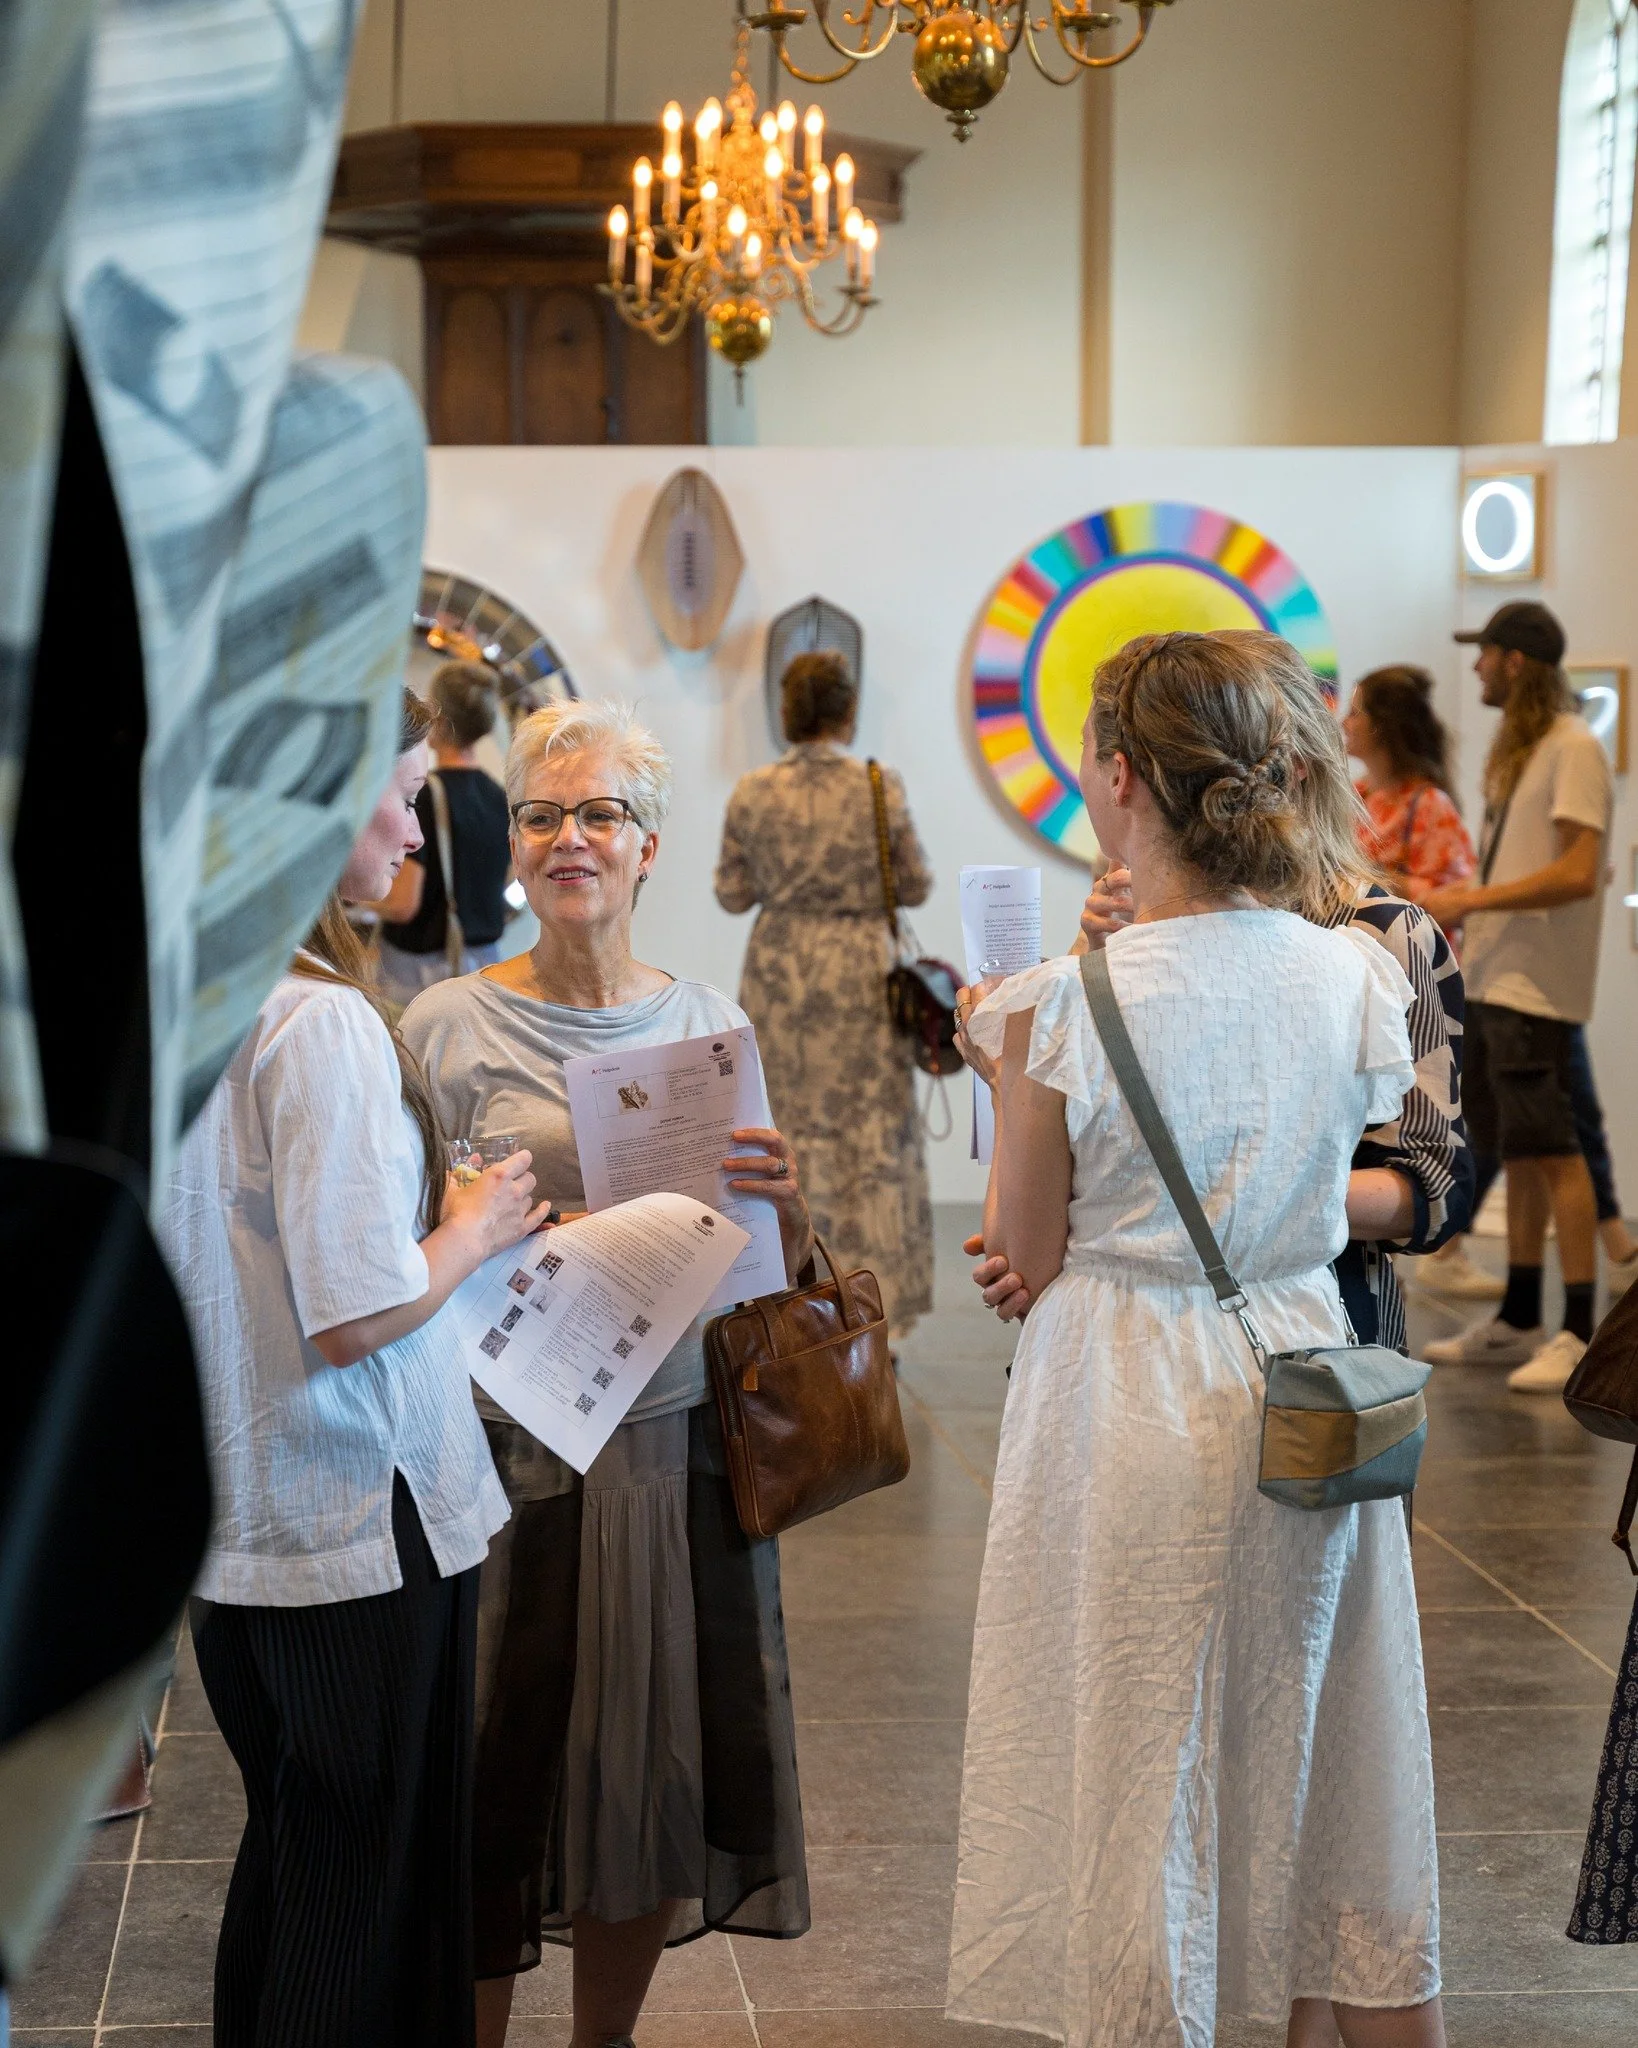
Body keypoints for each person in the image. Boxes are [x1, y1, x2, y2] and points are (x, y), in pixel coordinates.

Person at [947, 632, 1442, 2048]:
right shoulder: (1351, 973)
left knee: (1137, 1750)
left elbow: (1024, 1249)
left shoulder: (1062, 1005)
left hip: (1125, 1387)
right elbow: (1352, 1170)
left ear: (1119, 778)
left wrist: (1006, 1069)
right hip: (1304, 1370)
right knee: (1329, 1745)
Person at [399, 700, 814, 2048]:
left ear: (649, 846)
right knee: (493, 1765)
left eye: (599, 815)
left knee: (647, 1771)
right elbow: (395, 1249)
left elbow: (764, 1265)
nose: (567, 837)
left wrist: (786, 1203)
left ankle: (605, 2040)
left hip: (670, 1441)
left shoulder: (705, 1021)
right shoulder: (446, 1026)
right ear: (515, 844)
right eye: (541, 814)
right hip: (504, 1444)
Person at [164, 690, 550, 2048]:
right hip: (353, 1513)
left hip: (242, 1500)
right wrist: (473, 1225)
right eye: (396, 794)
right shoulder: (317, 1021)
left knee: (296, 1862)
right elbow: (354, 1312)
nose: (415, 829)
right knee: (358, 1903)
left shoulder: (192, 990)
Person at [973, 643, 1473, 1362]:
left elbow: (1434, 1188)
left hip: (1324, 1342)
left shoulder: (1374, 938)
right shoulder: (1131, 922)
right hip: (1174, 1323)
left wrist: (1182, 1206)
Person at [1420, 602, 1615, 1392]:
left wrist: (1469, 901)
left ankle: (1578, 1330)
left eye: (1487, 653)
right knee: (1527, 1153)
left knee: (1556, 1153)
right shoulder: (1534, 751)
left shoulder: (1572, 747)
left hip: (1536, 988)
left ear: (1518, 661)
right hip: (1500, 981)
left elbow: (1579, 871)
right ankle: (1522, 1315)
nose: (1477, 667)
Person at [714, 649, 935, 1336]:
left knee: (785, 1131)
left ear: (786, 712)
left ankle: (792, 1303)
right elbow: (917, 883)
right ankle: (875, 1308)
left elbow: (732, 892)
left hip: (781, 975)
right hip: (862, 974)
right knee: (870, 1138)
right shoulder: (879, 784)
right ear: (848, 711)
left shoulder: (753, 790)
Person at [374, 659, 514, 1008]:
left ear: (440, 716)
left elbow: (403, 904)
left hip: (419, 976)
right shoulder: (500, 798)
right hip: (486, 969)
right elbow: (506, 878)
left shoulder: (423, 796)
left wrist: (356, 898)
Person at [1341, 665, 1476, 930]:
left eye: (1355, 713)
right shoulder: (1356, 794)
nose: (1344, 723)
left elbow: (1456, 900)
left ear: (1382, 725)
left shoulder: (1430, 805)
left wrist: (1371, 875)